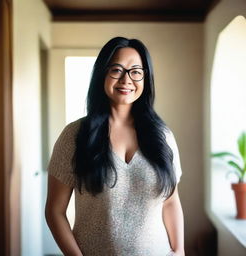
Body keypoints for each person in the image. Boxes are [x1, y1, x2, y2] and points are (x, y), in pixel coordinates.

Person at [45, 37, 184, 256]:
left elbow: (171, 202)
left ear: (145, 78)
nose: (126, 79)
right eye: (117, 69)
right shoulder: (75, 135)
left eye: (136, 71)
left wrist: (179, 250)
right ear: (102, 73)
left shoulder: (163, 136)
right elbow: (54, 211)